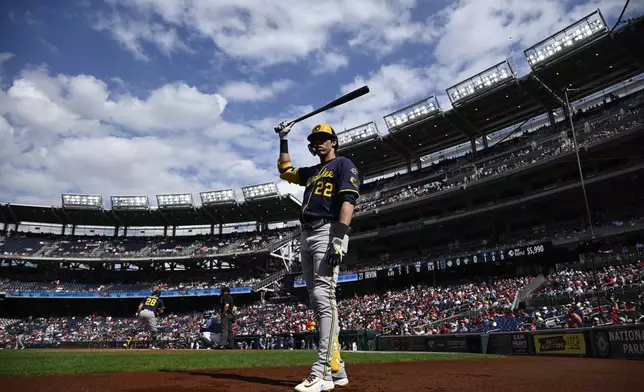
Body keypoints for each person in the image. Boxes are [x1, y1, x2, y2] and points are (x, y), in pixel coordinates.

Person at [275, 121, 359, 392]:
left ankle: (321, 371)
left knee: (324, 297)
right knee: (316, 299)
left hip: (326, 230)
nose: (320, 142)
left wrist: (339, 238)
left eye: (325, 138)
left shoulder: (343, 164)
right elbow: (285, 171)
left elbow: (348, 200)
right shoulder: (312, 171)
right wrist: (284, 139)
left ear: (334, 141)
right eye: (316, 139)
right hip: (305, 234)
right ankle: (337, 369)